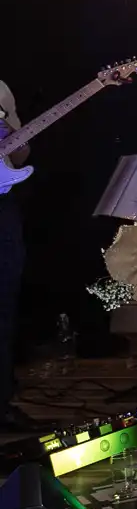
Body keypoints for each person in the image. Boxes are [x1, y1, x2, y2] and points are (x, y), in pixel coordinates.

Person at [0, 78, 29, 430]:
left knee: (4, 304)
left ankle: (2, 404)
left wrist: (10, 136)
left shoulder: (2, 89)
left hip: (3, 205)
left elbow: (22, 154)